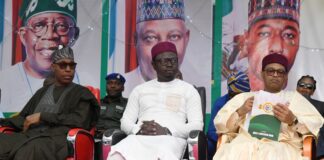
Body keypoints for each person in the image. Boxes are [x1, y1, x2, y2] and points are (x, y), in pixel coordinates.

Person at [213, 53, 323, 160]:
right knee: (232, 152)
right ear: (262, 74)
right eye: (271, 71)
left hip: (281, 146)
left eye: (280, 72)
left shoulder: (295, 99)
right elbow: (221, 125)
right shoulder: (244, 98)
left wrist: (292, 120)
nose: (275, 75)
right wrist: (240, 111)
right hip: (244, 144)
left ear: (285, 77)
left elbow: (314, 127)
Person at [0, 46, 99, 159]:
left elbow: (80, 121)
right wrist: (3, 122)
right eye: (63, 65)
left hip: (57, 139)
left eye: (72, 66)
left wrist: (43, 116)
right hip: (30, 135)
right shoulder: (42, 92)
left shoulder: (82, 93)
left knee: (30, 149)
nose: (68, 69)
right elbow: (24, 118)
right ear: (53, 67)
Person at [108, 42, 203, 160]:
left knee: (162, 154)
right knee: (116, 155)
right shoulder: (140, 90)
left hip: (170, 139)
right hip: (139, 138)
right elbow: (125, 122)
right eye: (164, 60)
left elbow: (197, 125)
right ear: (153, 64)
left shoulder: (189, 90)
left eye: (173, 60)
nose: (169, 64)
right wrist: (138, 130)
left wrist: (167, 130)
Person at [0, 0, 83, 113]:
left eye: (62, 26)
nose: (50, 35)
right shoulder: (3, 81)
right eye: (38, 25)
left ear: (74, 35)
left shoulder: (86, 82)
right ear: (24, 36)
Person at [222, 0, 301, 94]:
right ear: (246, 39)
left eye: (289, 35)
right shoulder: (231, 97)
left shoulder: (296, 105)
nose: (277, 48)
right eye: (264, 33)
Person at [124, 0, 190, 96]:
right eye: (151, 38)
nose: (163, 50)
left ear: (186, 39)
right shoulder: (128, 90)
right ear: (135, 40)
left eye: (174, 36)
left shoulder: (189, 92)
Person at [207, 71, 250, 160]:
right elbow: (211, 131)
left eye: (236, 95)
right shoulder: (220, 103)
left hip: (244, 141)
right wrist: (226, 139)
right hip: (223, 139)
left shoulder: (251, 103)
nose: (233, 97)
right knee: (209, 145)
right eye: (231, 93)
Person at [95, 73, 128, 138]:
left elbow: (129, 126)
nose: (113, 86)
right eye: (109, 83)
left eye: (117, 83)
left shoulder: (128, 104)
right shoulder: (98, 102)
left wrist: (109, 132)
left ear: (123, 88)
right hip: (96, 137)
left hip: (117, 139)